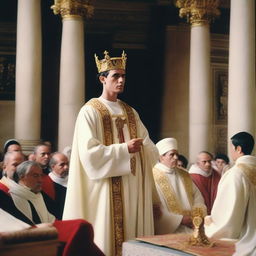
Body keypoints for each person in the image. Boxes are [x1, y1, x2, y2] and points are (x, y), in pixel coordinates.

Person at [63, 50, 159, 256]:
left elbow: (149, 146)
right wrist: (124, 149)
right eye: (116, 76)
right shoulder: (90, 111)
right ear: (102, 79)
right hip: (105, 187)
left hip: (132, 186)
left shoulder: (131, 112)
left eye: (123, 76)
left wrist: (151, 151)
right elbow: (89, 154)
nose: (121, 80)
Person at [1, 160, 104, 256]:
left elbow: (49, 218)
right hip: (34, 241)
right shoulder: (15, 196)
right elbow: (26, 227)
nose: (40, 180)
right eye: (35, 176)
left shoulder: (37, 194)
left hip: (49, 233)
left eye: (41, 176)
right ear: (22, 177)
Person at [204, 132, 256, 256]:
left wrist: (210, 225)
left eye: (231, 147)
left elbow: (228, 214)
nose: (230, 151)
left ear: (238, 149)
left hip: (243, 242)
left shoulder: (235, 174)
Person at [153, 138, 206, 234]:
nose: (176, 157)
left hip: (192, 225)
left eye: (177, 154)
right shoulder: (153, 176)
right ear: (161, 157)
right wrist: (180, 220)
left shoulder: (184, 174)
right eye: (172, 154)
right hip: (171, 229)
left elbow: (197, 196)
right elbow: (155, 208)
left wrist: (197, 215)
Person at [44, 152, 69, 219]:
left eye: (67, 164)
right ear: (53, 166)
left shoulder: (72, 180)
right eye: (62, 165)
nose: (66, 167)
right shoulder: (46, 183)